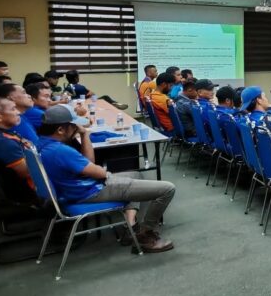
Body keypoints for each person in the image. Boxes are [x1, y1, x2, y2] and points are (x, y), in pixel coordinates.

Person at [36, 106, 175, 252]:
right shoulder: (60, 151)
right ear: (60, 130)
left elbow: (88, 163)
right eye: (74, 126)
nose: (77, 128)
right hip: (89, 192)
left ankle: (131, 226)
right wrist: (104, 172)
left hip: (72, 190)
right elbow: (99, 172)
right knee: (167, 189)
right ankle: (145, 236)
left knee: (135, 175)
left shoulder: (41, 143)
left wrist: (84, 135)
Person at [0, 97, 35, 201]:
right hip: (32, 190)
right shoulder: (2, 143)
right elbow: (29, 172)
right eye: (13, 109)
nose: (18, 112)